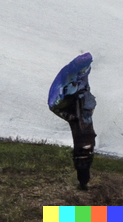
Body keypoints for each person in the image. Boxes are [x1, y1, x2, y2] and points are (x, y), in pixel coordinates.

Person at [48, 52, 96, 190]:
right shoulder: (73, 80)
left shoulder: (73, 73)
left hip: (74, 110)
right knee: (84, 144)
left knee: (84, 142)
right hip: (75, 110)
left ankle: (83, 181)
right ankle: (83, 183)